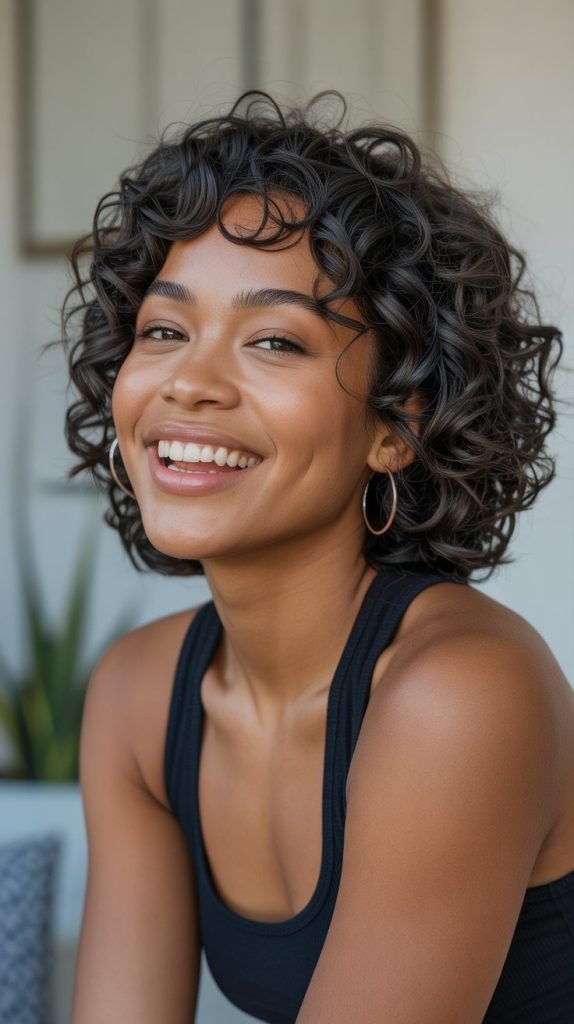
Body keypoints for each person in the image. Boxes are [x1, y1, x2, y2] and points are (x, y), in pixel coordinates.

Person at [63, 92, 574, 1023]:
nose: (190, 383)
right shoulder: (138, 700)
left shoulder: (457, 693)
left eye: (274, 340)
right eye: (165, 330)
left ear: (395, 426)